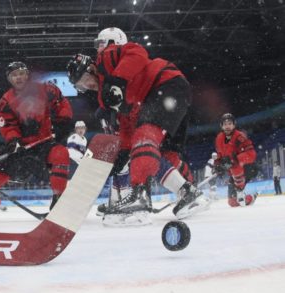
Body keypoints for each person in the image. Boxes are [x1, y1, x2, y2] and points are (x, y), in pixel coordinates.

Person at [66, 27, 209, 224]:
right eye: (80, 87)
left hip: (165, 86)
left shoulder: (105, 60)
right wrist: (124, 151)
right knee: (157, 153)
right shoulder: (106, 96)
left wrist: (116, 80)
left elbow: (137, 52)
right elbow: (127, 124)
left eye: (83, 80)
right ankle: (188, 193)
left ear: (89, 68)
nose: (86, 86)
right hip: (169, 95)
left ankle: (139, 195)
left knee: (144, 138)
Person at [0, 61, 73, 219]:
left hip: (45, 142)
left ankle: (58, 200)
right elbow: (8, 126)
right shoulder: (6, 101)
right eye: (13, 75)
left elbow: (61, 103)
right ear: (9, 79)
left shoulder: (46, 89)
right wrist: (14, 141)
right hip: (20, 147)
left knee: (61, 154)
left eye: (21, 73)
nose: (18, 77)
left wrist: (63, 122)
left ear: (27, 74)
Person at [213, 113, 258, 207]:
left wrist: (235, 160)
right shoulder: (219, 139)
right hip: (233, 172)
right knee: (232, 202)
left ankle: (240, 190)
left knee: (234, 166)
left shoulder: (240, 137)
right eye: (225, 124)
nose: (227, 126)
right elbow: (220, 155)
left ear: (234, 125)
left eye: (230, 123)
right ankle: (251, 197)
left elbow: (252, 154)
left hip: (248, 168)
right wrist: (217, 164)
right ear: (221, 126)